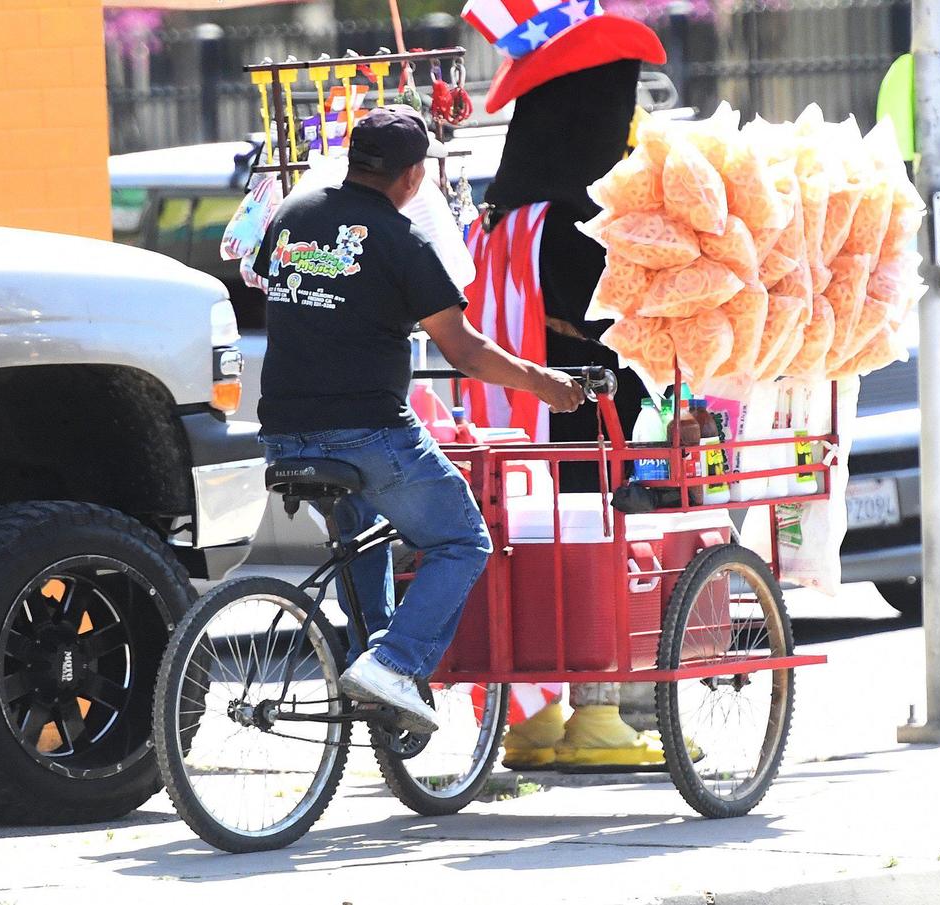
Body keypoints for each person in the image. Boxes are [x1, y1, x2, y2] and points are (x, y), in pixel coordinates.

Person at [253, 105, 584, 734]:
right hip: (367, 432)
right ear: (414, 177)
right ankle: (395, 661)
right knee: (463, 539)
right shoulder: (402, 243)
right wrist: (543, 383)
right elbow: (465, 351)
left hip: (283, 433)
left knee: (361, 540)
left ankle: (366, 666)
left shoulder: (293, 217)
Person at [460, 0, 673, 769]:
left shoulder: (506, 208)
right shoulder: (590, 212)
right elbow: (613, 310)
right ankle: (597, 711)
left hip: (516, 416)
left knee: (527, 549)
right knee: (592, 544)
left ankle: (533, 715)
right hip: (583, 409)